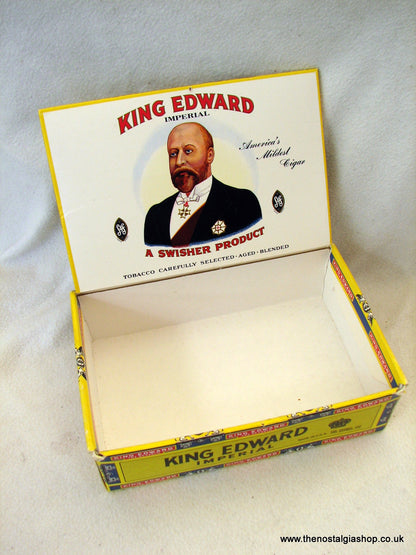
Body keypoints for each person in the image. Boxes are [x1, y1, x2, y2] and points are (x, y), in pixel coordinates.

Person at [144, 122, 262, 246]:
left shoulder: (242, 202)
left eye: (188, 151)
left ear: (209, 155)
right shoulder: (155, 215)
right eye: (173, 154)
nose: (179, 161)